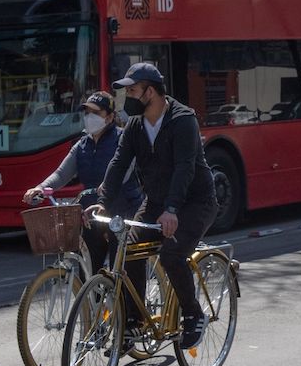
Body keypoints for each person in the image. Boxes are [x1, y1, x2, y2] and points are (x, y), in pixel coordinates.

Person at [88, 63, 218, 350]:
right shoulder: (135, 126)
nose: (127, 98)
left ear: (150, 92)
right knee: (127, 249)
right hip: (157, 202)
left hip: (195, 202)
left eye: (132, 91)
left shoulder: (183, 120)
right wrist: (102, 203)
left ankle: (193, 314)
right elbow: (118, 163)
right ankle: (134, 322)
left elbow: (184, 168)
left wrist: (172, 209)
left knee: (172, 254)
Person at [22, 91, 144, 272]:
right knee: (86, 272)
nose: (89, 117)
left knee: (120, 273)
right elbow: (61, 174)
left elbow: (124, 170)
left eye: (96, 113)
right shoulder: (81, 145)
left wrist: (107, 186)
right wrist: (40, 188)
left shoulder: (122, 139)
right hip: (92, 214)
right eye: (87, 113)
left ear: (110, 117)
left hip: (122, 213)